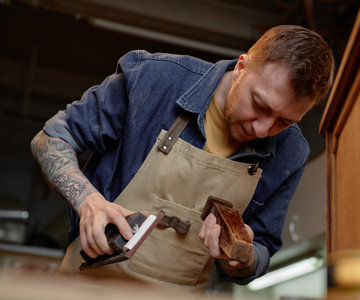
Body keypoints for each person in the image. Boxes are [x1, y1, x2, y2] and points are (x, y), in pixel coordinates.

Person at [30, 25, 334, 292]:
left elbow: (262, 249)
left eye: (284, 121)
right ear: (241, 67)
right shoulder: (153, 79)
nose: (263, 128)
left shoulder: (291, 152)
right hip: (86, 288)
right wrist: (89, 202)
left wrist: (240, 258)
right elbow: (51, 139)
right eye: (259, 105)